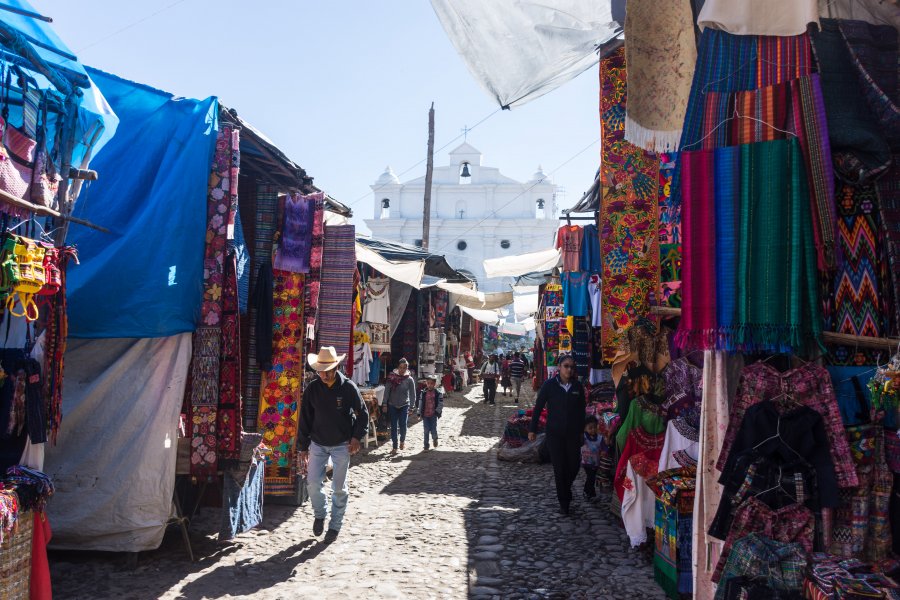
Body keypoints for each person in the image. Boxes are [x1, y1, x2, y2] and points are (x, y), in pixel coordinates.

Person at [298, 346, 369, 542]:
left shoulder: (347, 387)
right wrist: (302, 446)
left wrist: (356, 437)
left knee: (338, 487)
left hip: (341, 444)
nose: (322, 374)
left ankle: (335, 525)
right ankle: (320, 514)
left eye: (326, 370)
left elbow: (362, 413)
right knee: (312, 483)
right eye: (319, 370)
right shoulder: (313, 388)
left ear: (335, 368)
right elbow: (305, 417)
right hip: (317, 443)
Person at [529, 354, 586, 515]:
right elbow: (538, 407)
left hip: (573, 434)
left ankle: (564, 489)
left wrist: (582, 431)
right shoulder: (549, 386)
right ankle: (564, 502)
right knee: (559, 468)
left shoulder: (577, 387)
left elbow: (582, 410)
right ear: (559, 367)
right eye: (566, 366)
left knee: (574, 464)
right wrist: (532, 429)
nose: (569, 369)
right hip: (554, 434)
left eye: (572, 367)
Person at [384, 357, 417, 456]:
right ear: (398, 367)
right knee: (393, 426)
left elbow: (412, 394)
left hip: (404, 405)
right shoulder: (391, 377)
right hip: (392, 405)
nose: (402, 370)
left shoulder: (409, 379)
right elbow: (386, 391)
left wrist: (412, 407)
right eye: (400, 367)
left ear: (406, 369)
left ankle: (402, 440)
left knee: (403, 424)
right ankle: (394, 446)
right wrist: (384, 403)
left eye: (404, 368)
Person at [416, 374, 444, 451]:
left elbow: (441, 403)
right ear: (426, 383)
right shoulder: (424, 393)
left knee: (433, 429)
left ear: (434, 384)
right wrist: (419, 412)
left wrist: (437, 412)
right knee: (426, 430)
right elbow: (420, 402)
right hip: (425, 415)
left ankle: (435, 439)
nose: (430, 385)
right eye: (428, 383)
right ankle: (426, 446)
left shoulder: (438, 393)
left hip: (433, 415)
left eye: (432, 383)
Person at [582, 416, 602, 501]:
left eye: (594, 427)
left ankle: (591, 492)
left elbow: (604, 446)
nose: (593, 430)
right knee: (591, 477)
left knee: (592, 477)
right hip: (586, 462)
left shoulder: (599, 438)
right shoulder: (583, 437)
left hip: (596, 462)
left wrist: (604, 451)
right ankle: (587, 492)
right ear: (585, 429)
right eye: (590, 428)